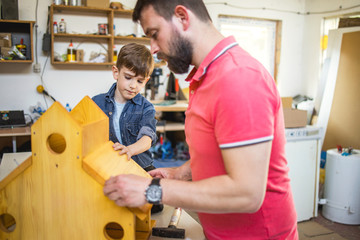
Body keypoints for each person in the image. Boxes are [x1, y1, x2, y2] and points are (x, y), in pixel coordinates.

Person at [103, 1, 298, 239]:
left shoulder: (238, 78)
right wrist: (181, 173)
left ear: (183, 17)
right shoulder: (206, 77)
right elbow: (218, 156)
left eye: (154, 34)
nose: (152, 48)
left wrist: (153, 191)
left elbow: (247, 194)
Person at [92, 43, 157, 172]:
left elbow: (147, 138)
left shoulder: (146, 108)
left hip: (140, 165)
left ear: (146, 80)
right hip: (111, 165)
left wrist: (130, 150)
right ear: (116, 73)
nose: (133, 85)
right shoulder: (96, 102)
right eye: (128, 77)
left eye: (140, 81)